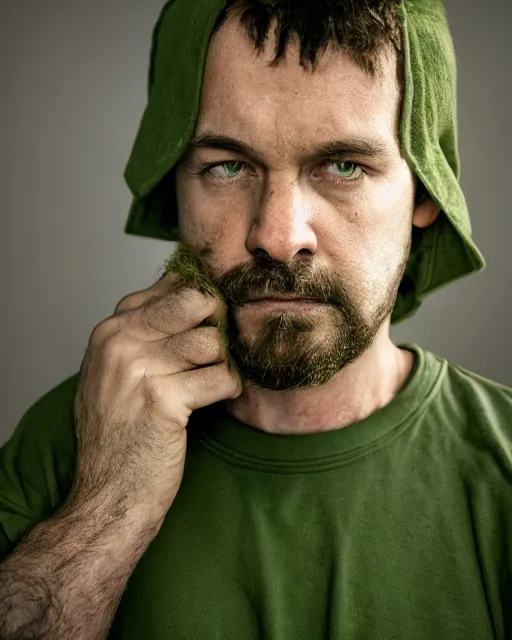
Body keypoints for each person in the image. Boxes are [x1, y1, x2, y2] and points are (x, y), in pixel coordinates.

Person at [0, 0, 510, 638]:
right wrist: (104, 510)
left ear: (425, 193)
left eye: (345, 166)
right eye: (227, 166)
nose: (277, 235)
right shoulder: (72, 439)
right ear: (174, 187)